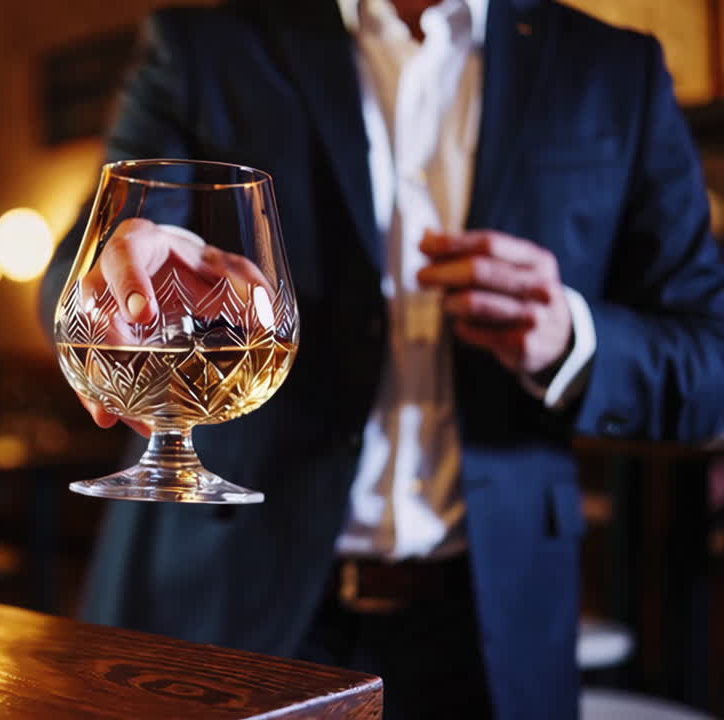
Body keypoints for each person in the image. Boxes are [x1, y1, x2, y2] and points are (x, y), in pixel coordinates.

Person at [40, 1, 724, 718]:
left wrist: (572, 339)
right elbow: (86, 257)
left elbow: (708, 360)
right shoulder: (208, 46)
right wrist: (113, 277)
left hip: (494, 628)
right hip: (229, 596)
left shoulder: (616, 69)